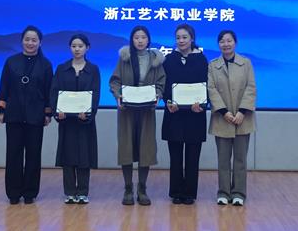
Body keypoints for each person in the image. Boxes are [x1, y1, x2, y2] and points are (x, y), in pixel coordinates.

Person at [109, 26, 165, 206]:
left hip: (147, 110)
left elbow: (161, 82)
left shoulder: (156, 59)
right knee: (126, 148)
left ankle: (142, 189)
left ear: (148, 40)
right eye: (136, 37)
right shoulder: (124, 58)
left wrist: (157, 95)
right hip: (127, 110)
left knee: (145, 148)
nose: (140, 40)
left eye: (143, 37)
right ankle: (128, 188)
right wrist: (118, 96)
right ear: (131, 40)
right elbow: (115, 81)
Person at [0, 25, 53, 204]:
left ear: (40, 43)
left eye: (34, 40)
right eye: (27, 39)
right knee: (13, 154)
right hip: (13, 115)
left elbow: (49, 91)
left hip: (36, 116)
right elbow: (4, 87)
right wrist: (1, 109)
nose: (30, 43)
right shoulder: (11, 61)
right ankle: (13, 193)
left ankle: (30, 193)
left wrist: (48, 113)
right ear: (21, 41)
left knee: (33, 155)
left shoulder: (46, 65)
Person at [207, 30, 256, 206]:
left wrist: (242, 111)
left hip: (243, 118)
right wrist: (224, 112)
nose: (226, 44)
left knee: (240, 159)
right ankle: (223, 192)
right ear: (218, 44)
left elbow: (251, 88)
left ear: (235, 42)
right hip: (222, 118)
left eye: (229, 40)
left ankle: (239, 193)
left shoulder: (246, 63)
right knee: (223, 159)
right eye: (222, 41)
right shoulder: (213, 65)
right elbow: (211, 89)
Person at [50, 34, 100, 205]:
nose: (77, 49)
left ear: (87, 48)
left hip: (85, 121)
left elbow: (95, 94)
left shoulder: (93, 69)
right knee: (68, 156)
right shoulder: (62, 68)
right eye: (73, 46)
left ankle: (83, 192)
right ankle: (70, 192)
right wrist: (58, 112)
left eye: (80, 46)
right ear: (69, 48)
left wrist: (88, 113)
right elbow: (54, 92)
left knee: (84, 156)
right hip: (66, 121)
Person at [162, 24, 208, 205]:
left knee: (192, 156)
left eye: (184, 37)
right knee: (175, 157)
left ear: (192, 39)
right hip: (174, 114)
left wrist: (202, 104)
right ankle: (176, 192)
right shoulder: (168, 60)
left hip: (195, 115)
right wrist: (167, 101)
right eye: (178, 37)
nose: (181, 41)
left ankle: (189, 193)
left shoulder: (201, 59)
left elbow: (207, 85)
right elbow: (164, 85)